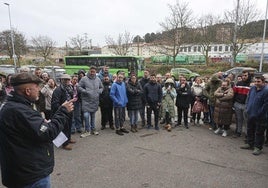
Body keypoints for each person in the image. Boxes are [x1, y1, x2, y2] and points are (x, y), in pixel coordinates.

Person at [0, 72, 74, 187]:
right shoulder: (18, 110)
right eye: (37, 87)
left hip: (23, 171)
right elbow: (48, 133)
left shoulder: (14, 105)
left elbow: (31, 130)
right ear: (27, 91)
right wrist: (63, 111)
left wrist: (41, 124)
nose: (39, 90)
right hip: (30, 176)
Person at [241, 75, 268, 155]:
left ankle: (258, 147)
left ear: (263, 82)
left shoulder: (266, 91)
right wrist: (247, 108)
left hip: (260, 116)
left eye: (258, 81)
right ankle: (250, 144)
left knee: (259, 132)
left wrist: (259, 113)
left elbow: (266, 105)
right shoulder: (252, 88)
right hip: (250, 113)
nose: (256, 83)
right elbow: (248, 99)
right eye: (255, 81)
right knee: (250, 130)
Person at [51, 74, 76, 150]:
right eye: (65, 80)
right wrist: (64, 106)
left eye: (68, 79)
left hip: (69, 110)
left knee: (69, 125)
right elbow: (55, 104)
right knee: (64, 127)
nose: (67, 81)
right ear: (61, 80)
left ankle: (68, 138)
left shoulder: (70, 88)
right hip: (62, 111)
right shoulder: (58, 90)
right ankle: (65, 144)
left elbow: (71, 97)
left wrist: (71, 102)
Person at [78, 66, 103, 138]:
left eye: (94, 72)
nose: (92, 73)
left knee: (93, 116)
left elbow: (101, 87)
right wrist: (84, 91)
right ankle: (87, 130)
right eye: (91, 71)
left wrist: (99, 91)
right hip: (86, 101)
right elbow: (78, 87)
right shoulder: (84, 79)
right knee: (86, 116)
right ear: (89, 71)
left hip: (95, 100)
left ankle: (93, 129)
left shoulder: (98, 79)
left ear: (95, 72)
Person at [232, 71, 252, 138]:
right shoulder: (238, 83)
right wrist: (233, 103)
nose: (244, 77)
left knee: (247, 121)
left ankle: (247, 134)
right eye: (243, 75)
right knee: (239, 119)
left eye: (245, 75)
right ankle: (238, 132)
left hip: (246, 105)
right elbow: (234, 93)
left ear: (249, 76)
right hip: (237, 104)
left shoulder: (251, 85)